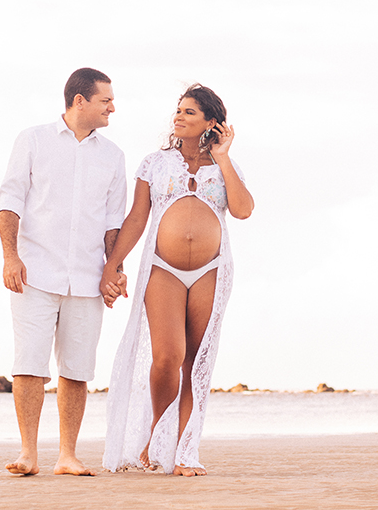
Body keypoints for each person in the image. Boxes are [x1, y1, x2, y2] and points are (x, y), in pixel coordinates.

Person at [101, 84, 254, 477]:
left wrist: (223, 157)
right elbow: (137, 218)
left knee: (196, 361)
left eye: (189, 112)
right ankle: (156, 432)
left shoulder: (225, 166)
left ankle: (185, 451)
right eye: (178, 110)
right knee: (167, 356)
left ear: (211, 122)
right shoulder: (155, 164)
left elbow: (243, 210)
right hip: (163, 269)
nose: (178, 117)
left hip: (211, 271)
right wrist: (112, 265)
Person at [0, 67, 127, 477]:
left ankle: (67, 456)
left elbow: (113, 223)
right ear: (79, 101)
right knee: (29, 364)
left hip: (87, 279)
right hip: (33, 273)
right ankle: (28, 454)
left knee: (77, 370)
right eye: (106, 100)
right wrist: (10, 257)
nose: (112, 107)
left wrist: (114, 271)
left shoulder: (113, 156)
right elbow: (10, 201)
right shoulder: (33, 140)